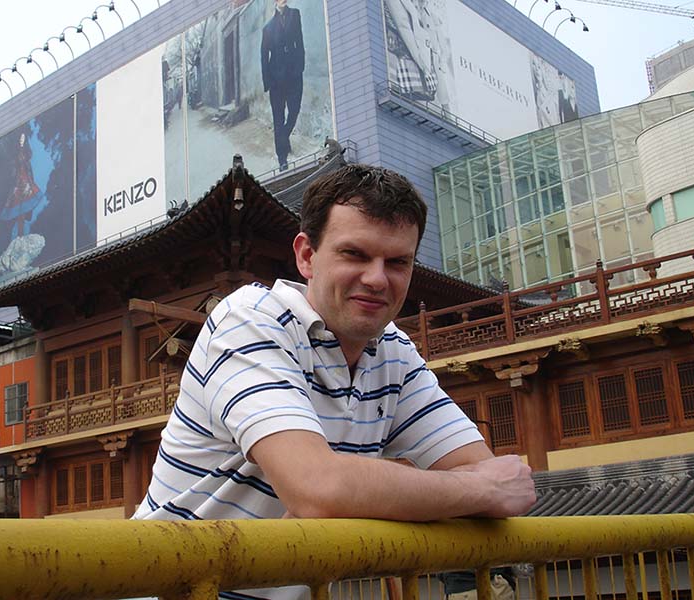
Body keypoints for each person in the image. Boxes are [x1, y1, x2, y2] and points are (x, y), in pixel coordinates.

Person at [132, 164, 536, 599]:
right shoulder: (250, 320)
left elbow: (486, 474)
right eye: (355, 255)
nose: (378, 279)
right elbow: (318, 489)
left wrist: (373, 487)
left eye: (397, 261)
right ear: (306, 256)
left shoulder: (392, 351)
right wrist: (474, 489)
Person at [261, 0, 305, 171]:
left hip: (294, 74)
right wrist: (268, 82)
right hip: (276, 80)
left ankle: (283, 139)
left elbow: (299, 41)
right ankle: (282, 159)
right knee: (278, 119)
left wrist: (301, 66)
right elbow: (264, 57)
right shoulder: (268, 28)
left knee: (294, 111)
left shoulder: (295, 14)